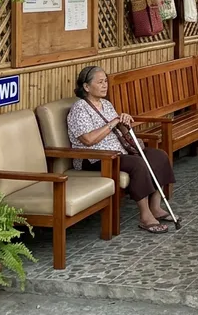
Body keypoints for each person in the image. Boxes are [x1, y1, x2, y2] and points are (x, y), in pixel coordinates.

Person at [68, 66, 176, 234]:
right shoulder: (79, 108)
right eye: (100, 82)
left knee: (159, 156)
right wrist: (112, 123)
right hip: (96, 158)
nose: (105, 85)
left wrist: (124, 123)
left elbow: (119, 130)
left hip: (120, 151)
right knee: (138, 164)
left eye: (106, 81)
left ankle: (155, 207)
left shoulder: (106, 104)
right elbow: (88, 140)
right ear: (86, 87)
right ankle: (145, 216)